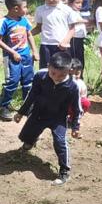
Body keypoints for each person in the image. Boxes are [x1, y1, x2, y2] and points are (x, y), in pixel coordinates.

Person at [13, 52, 81, 185]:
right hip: (39, 113)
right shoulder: (40, 75)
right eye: (53, 73)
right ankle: (29, 143)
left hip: (58, 118)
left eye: (62, 75)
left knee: (60, 142)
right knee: (26, 135)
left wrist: (75, 126)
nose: (57, 78)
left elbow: (77, 108)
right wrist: (21, 112)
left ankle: (64, 170)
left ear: (69, 70)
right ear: (48, 66)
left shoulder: (73, 86)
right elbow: (31, 95)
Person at [0, 0, 38, 121]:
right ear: (16, 8)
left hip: (26, 57)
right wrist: (12, 52)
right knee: (12, 82)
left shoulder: (24, 20)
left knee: (28, 81)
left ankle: (26, 106)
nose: (27, 9)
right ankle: (4, 106)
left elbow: (29, 35)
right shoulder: (4, 22)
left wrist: (34, 51)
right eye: (25, 7)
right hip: (11, 59)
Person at [32, 0, 77, 69]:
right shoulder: (40, 10)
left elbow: (72, 29)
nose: (51, 0)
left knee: (63, 71)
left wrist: (65, 41)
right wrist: (27, 34)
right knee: (46, 71)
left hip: (62, 46)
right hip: (46, 45)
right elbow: (39, 27)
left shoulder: (67, 10)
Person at [67, 58, 90, 139]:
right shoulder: (64, 82)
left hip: (77, 105)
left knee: (86, 103)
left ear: (81, 73)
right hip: (66, 104)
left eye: (77, 73)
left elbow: (83, 98)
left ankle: (73, 120)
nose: (74, 76)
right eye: (71, 74)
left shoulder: (81, 84)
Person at [66, 0, 89, 69]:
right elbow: (75, 20)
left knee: (80, 58)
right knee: (75, 59)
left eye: (81, 3)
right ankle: (74, 74)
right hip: (74, 38)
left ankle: (79, 75)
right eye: (77, 2)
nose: (80, 5)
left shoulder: (77, 11)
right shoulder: (69, 11)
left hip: (79, 38)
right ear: (70, 3)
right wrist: (87, 21)